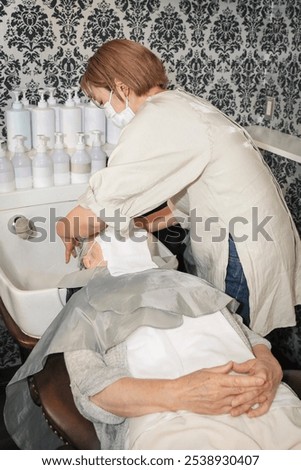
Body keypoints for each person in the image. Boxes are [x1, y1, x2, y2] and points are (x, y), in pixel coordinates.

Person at [56, 38, 300, 338]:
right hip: (254, 235)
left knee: (238, 341)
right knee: (235, 339)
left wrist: (66, 227)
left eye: (100, 100)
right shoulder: (182, 104)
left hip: (245, 247)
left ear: (120, 87)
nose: (104, 110)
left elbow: (98, 205)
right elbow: (178, 206)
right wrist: (135, 225)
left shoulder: (159, 118)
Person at [4, 231, 301, 450]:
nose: (126, 236)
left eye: (134, 232)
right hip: (174, 421)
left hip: (265, 401)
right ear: (89, 260)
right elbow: (92, 392)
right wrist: (181, 393)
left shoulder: (191, 283)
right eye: (107, 235)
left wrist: (268, 364)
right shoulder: (86, 306)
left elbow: (247, 334)